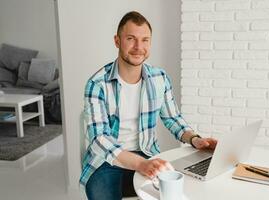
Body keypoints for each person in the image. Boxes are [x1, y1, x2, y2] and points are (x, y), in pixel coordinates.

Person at [79, 11, 217, 200]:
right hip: (105, 163)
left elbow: (172, 118)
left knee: (183, 191)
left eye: (145, 40)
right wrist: (139, 164)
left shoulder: (159, 78)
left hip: (147, 155)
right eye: (131, 38)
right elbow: (99, 139)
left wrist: (194, 139)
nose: (138, 47)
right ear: (117, 41)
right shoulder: (97, 84)